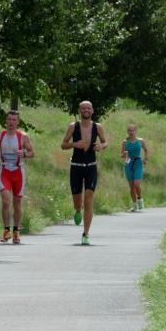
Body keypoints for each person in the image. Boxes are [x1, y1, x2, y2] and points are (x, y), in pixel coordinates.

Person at [61, 101, 108, 245]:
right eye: (83, 108)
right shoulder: (73, 126)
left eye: (88, 108)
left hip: (91, 167)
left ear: (92, 111)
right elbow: (63, 145)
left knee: (88, 200)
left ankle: (86, 234)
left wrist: (101, 146)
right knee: (78, 202)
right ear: (79, 111)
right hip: (76, 167)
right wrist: (74, 144)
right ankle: (77, 210)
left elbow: (105, 142)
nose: (86, 110)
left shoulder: (98, 127)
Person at [0, 110, 35, 243]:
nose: (11, 122)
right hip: (5, 170)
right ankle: (6, 231)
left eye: (14, 120)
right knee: (5, 201)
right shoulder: (0, 135)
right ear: (6, 121)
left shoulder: (23, 136)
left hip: (18, 172)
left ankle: (16, 231)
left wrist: (24, 154)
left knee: (16, 203)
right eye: (9, 119)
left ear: (18, 122)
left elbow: (32, 152)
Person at [120, 124, 149, 211]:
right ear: (127, 132)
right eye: (129, 130)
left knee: (136, 184)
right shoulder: (125, 142)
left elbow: (146, 150)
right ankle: (134, 205)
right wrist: (124, 154)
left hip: (138, 163)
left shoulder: (140, 141)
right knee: (131, 186)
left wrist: (145, 159)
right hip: (128, 164)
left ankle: (140, 199)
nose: (131, 132)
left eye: (133, 130)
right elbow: (122, 155)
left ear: (136, 131)